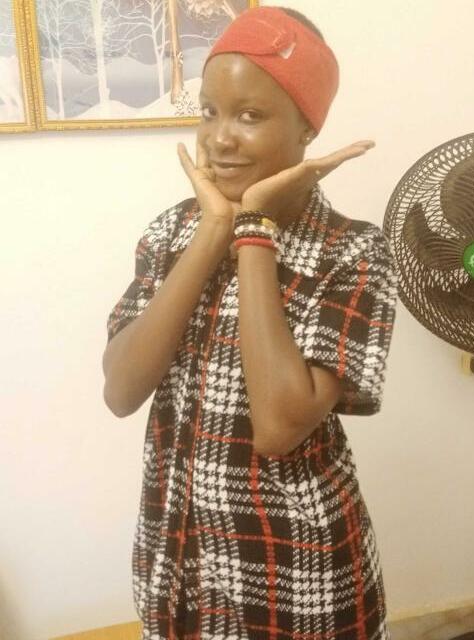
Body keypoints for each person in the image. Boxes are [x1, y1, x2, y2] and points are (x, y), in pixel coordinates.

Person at [102, 6, 398, 639]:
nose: (219, 138)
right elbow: (121, 391)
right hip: (177, 563)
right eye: (209, 111)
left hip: (298, 575)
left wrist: (255, 229)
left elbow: (280, 426)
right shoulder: (172, 233)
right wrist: (213, 231)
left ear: (307, 127)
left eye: (250, 115)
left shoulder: (352, 252)